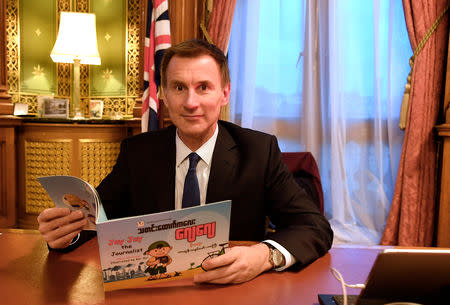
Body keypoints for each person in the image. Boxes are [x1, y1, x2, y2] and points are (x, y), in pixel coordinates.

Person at [37, 39, 333, 284]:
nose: (191, 102)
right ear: (163, 95)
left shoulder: (258, 150)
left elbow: (314, 226)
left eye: (203, 87)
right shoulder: (137, 153)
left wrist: (263, 256)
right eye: (179, 88)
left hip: (232, 290)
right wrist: (66, 235)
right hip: (155, 289)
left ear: (224, 94)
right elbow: (96, 221)